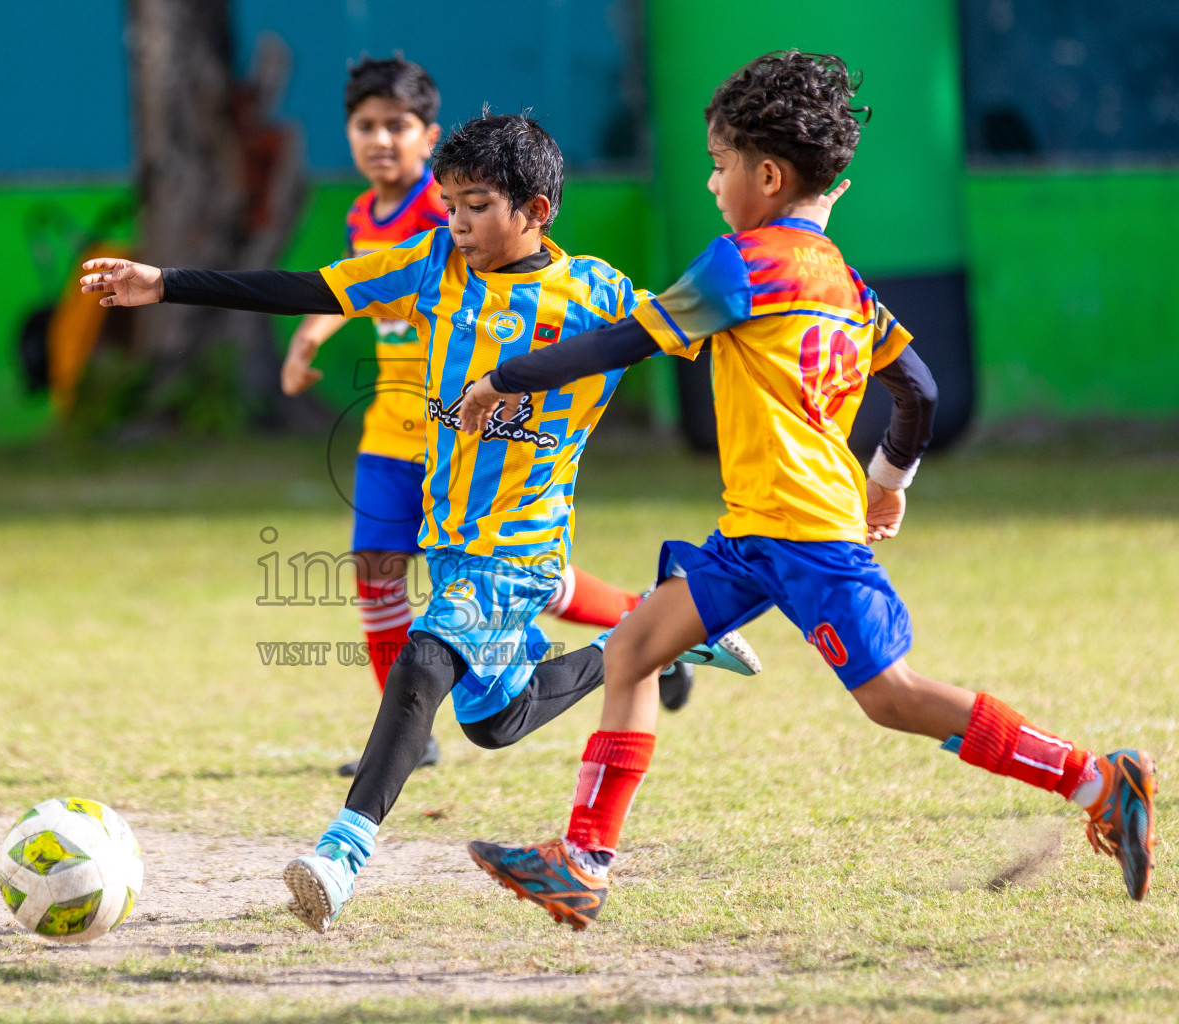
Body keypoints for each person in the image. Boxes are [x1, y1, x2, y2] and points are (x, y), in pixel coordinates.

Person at [457, 51, 1157, 929]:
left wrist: (505, 378)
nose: (712, 184)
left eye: (718, 165)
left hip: (808, 539)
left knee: (894, 697)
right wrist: (890, 480)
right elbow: (921, 390)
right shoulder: (850, 287)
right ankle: (585, 862)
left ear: (768, 174)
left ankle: (1097, 779)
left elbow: (624, 342)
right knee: (634, 648)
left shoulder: (738, 265)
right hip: (755, 536)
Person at [80, 111, 765, 933]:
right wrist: (167, 282)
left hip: (517, 548)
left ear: (537, 209)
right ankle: (665, 633)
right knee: (495, 722)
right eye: (450, 203)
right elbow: (319, 287)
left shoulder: (597, 294)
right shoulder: (435, 262)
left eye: (476, 205)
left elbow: (710, 338)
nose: (457, 222)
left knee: (423, 664)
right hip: (452, 547)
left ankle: (341, 856)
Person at [281, 59, 699, 779]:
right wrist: (310, 334)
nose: (380, 140)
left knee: (507, 572)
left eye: (397, 126)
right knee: (379, 570)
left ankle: (650, 621)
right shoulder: (363, 216)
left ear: (428, 136)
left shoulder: (440, 215)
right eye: (365, 125)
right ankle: (418, 729)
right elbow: (348, 289)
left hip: (466, 426)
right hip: (394, 423)